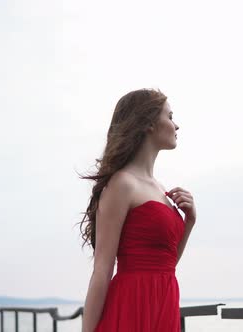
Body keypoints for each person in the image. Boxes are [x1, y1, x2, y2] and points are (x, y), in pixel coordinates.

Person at [78, 88, 196, 332]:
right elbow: (102, 269)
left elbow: (166, 263)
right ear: (149, 124)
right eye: (170, 116)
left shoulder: (160, 188)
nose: (177, 125)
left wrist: (190, 221)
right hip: (132, 306)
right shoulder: (122, 183)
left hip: (164, 304)